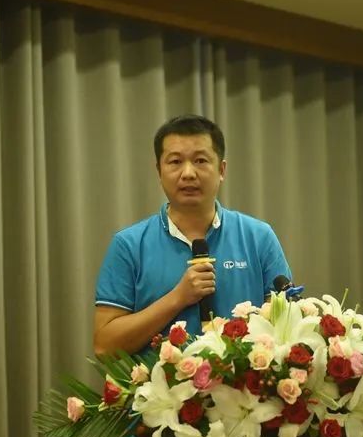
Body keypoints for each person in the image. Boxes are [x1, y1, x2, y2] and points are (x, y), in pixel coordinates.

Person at [93, 114, 292, 355]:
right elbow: (104, 346)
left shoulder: (259, 238)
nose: (188, 173)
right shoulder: (128, 245)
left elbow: (287, 331)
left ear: (221, 170)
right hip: (158, 380)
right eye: (175, 161)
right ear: (159, 171)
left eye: (200, 160)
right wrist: (178, 298)